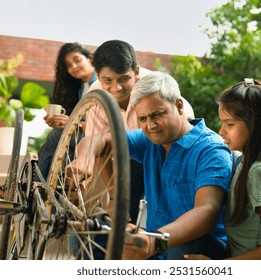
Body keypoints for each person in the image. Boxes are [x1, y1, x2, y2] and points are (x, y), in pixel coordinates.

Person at [70, 39, 194, 223]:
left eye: (124, 79)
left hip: (166, 151)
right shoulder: (96, 97)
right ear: (98, 75)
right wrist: (113, 195)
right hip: (129, 154)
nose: (116, 88)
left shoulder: (153, 87)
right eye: (108, 80)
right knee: (125, 212)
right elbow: (100, 148)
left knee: (161, 208)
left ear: (136, 72)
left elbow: (185, 124)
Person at [120, 71, 233, 260]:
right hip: (158, 244)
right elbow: (103, 141)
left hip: (198, 251)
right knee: (100, 239)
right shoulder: (150, 140)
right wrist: (84, 161)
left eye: (157, 114)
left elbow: (207, 210)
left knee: (178, 250)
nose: (150, 125)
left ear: (179, 106)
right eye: (143, 119)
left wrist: (153, 242)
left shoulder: (212, 149)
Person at [185, 78, 261, 260]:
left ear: (255, 124)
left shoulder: (259, 171)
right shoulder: (243, 163)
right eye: (222, 123)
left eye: (230, 124)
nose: (221, 131)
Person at [37, 42, 97, 180]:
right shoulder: (81, 88)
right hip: (82, 134)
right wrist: (60, 122)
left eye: (77, 60)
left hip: (96, 135)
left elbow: (101, 122)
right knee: (63, 148)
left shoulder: (100, 82)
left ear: (90, 59)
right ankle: (50, 189)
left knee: (56, 136)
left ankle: (37, 184)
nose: (74, 66)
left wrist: (71, 123)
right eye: (68, 65)